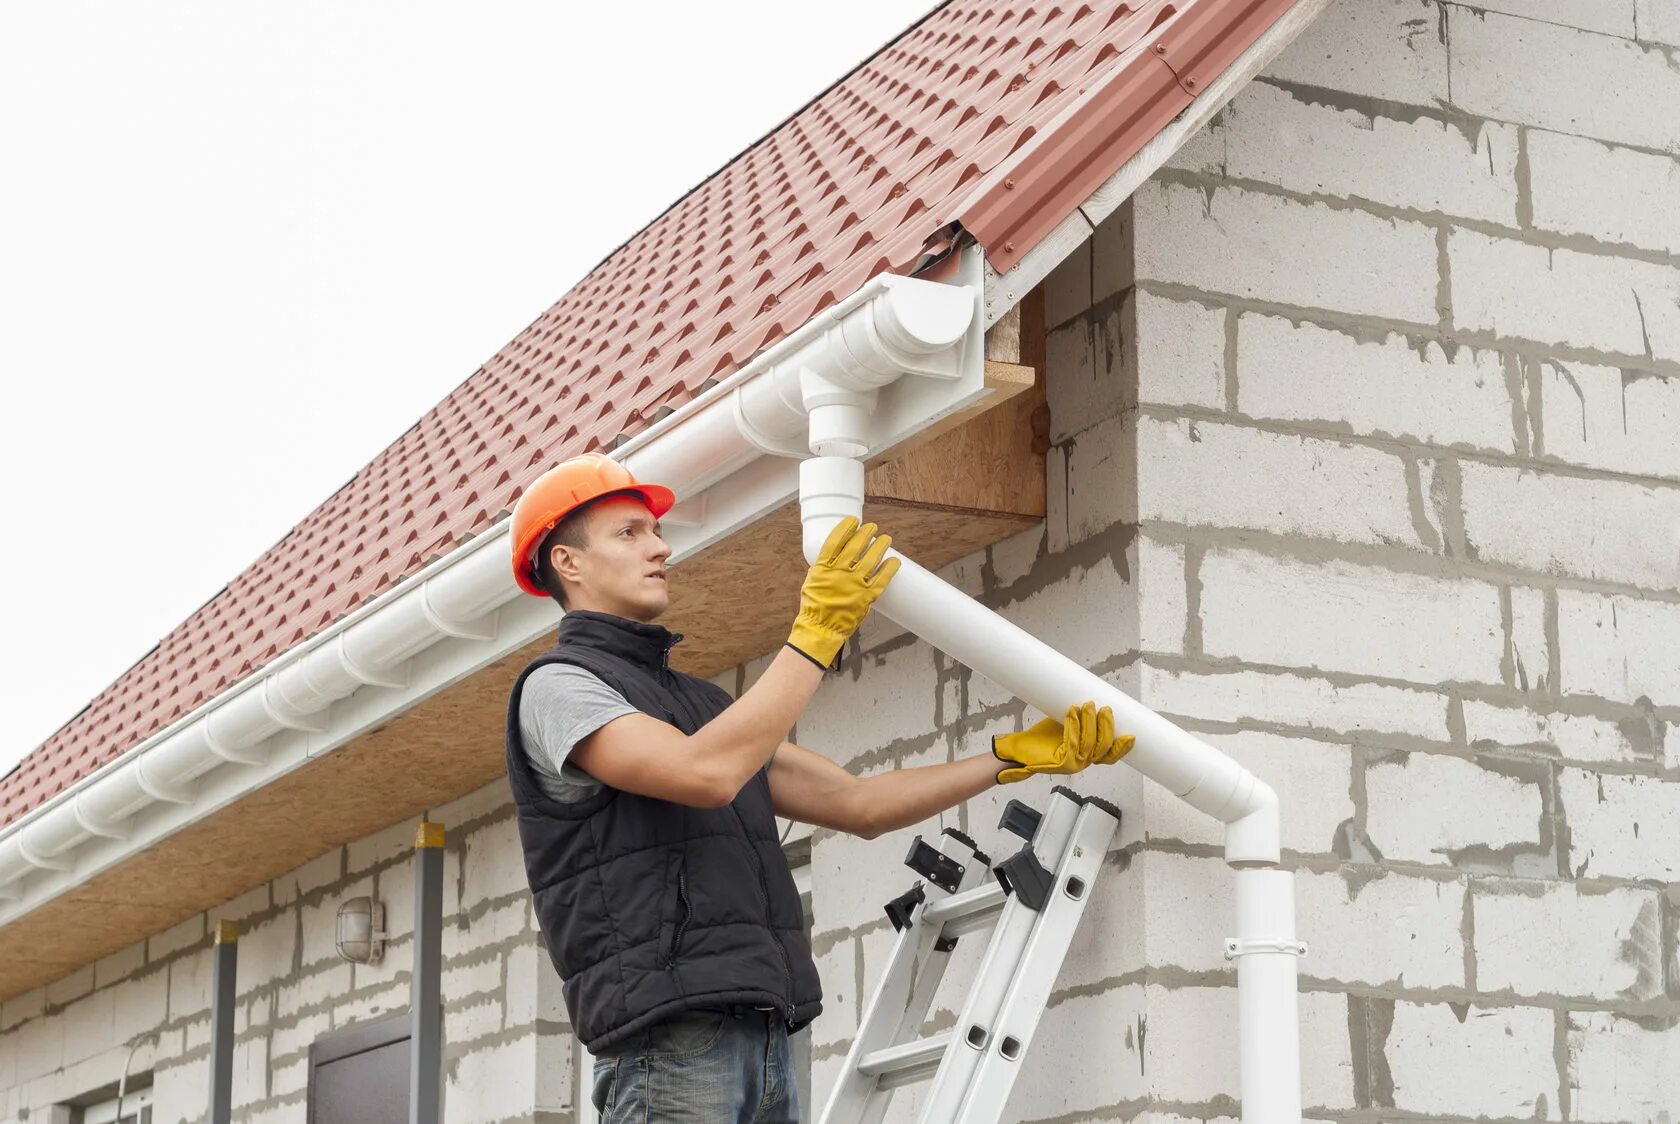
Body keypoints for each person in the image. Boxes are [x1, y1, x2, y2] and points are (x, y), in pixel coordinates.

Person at [503, 452, 1133, 1123]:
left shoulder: (705, 707)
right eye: (629, 533)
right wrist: (815, 635)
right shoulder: (559, 688)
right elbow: (703, 775)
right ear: (567, 563)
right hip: (670, 1048)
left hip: (767, 1039)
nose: (659, 548)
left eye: (657, 532)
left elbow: (857, 806)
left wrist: (1009, 758)